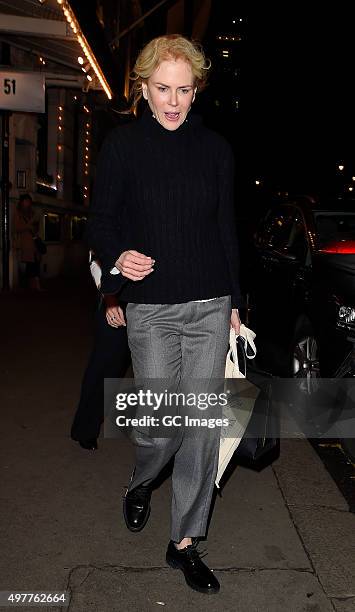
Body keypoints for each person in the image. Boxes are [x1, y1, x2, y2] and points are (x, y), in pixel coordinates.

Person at [86, 34, 242, 595]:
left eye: (183, 89)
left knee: (199, 427)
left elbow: (226, 229)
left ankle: (184, 543)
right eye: (162, 89)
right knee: (159, 425)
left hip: (208, 305)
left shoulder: (217, 150)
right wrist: (117, 254)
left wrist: (236, 304)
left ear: (196, 91)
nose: (173, 101)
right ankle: (142, 479)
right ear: (143, 90)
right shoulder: (124, 146)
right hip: (149, 308)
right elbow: (100, 220)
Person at [71, 253, 131, 450]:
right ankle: (85, 428)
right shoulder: (114, 223)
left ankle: (163, 445)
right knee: (107, 368)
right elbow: (95, 261)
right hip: (116, 300)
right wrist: (109, 297)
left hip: (152, 303)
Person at [14, 193, 43, 291]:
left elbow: (36, 227)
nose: (27, 203)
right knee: (29, 265)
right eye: (25, 201)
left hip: (34, 241)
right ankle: (32, 285)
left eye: (29, 201)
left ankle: (35, 285)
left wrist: (35, 226)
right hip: (25, 243)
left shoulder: (32, 212)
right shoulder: (18, 213)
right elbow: (16, 228)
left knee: (35, 263)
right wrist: (28, 226)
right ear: (22, 202)